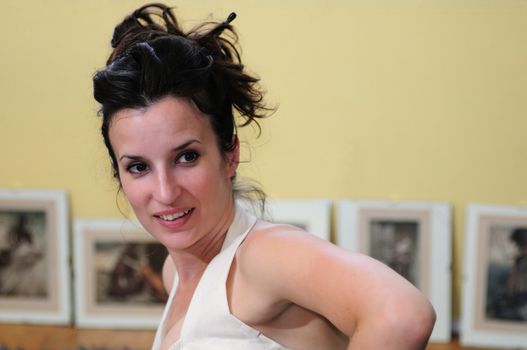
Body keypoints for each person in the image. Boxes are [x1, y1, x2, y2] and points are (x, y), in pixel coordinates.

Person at [92, 3, 436, 349]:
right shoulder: (174, 273)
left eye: (186, 157)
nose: (165, 192)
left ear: (230, 154)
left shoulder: (261, 258)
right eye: (139, 167)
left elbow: (402, 314)